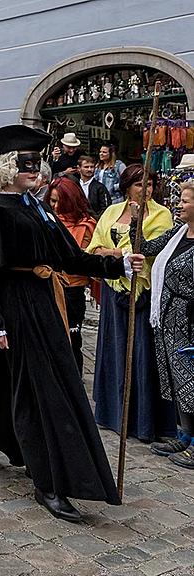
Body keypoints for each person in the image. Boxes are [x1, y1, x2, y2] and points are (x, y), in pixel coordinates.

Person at [0, 124, 145, 522]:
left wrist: (118, 263)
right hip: (15, 308)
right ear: (7, 166)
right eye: (26, 163)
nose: (35, 171)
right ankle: (48, 481)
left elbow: (70, 257)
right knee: (41, 391)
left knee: (12, 380)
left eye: (37, 163)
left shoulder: (34, 206)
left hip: (44, 302)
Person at [87, 164, 175, 443]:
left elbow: (148, 250)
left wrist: (124, 246)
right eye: (139, 185)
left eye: (149, 185)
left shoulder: (162, 214)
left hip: (142, 293)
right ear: (127, 187)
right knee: (115, 351)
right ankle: (113, 414)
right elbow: (93, 249)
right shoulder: (112, 212)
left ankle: (143, 420)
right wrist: (116, 254)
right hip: (114, 291)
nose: (145, 190)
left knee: (140, 355)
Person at [134, 182, 194, 468]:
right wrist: (136, 219)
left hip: (190, 321)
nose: (179, 206)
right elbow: (146, 248)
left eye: (185, 201)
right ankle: (185, 435)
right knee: (177, 381)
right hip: (169, 320)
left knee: (192, 382)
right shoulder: (178, 233)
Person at [46, 177, 97, 372]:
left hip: (72, 288)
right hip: (48, 284)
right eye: (52, 201)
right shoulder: (46, 219)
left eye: (59, 201)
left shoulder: (85, 224)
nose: (56, 206)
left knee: (72, 338)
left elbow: (83, 258)